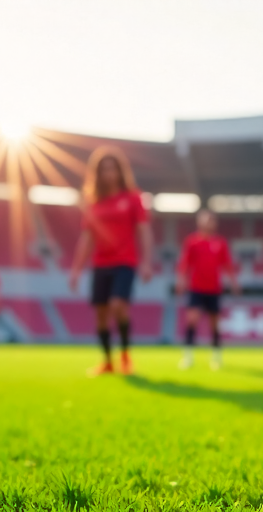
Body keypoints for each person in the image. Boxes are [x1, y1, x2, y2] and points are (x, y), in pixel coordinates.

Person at [68, 147, 154, 376]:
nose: (109, 173)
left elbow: (144, 230)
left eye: (113, 168)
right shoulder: (94, 202)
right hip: (100, 264)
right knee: (101, 314)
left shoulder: (133, 198)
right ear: (97, 174)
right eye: (104, 169)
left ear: (120, 171)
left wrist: (147, 262)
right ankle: (107, 362)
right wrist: (76, 270)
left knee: (118, 306)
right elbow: (87, 238)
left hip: (125, 262)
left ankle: (125, 356)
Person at [176, 210, 239, 370]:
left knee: (215, 325)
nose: (210, 223)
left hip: (214, 290)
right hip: (196, 288)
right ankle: (188, 357)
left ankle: (216, 357)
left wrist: (234, 283)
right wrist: (181, 281)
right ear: (200, 222)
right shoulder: (192, 242)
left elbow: (227, 264)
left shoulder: (220, 242)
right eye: (207, 220)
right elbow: (184, 263)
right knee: (192, 321)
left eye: (212, 220)